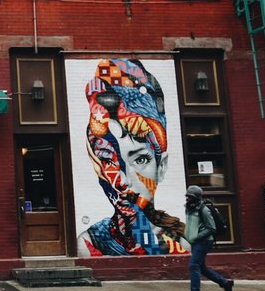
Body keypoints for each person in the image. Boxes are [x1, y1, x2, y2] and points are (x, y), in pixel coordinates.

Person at [78, 58, 189, 256]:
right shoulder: (91, 244)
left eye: (140, 160)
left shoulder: (180, 244)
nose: (124, 180)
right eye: (109, 161)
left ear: (161, 167)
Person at [182, 185, 233, 291]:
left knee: (194, 265)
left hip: (204, 241)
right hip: (195, 242)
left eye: (190, 196)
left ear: (196, 197)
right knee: (202, 268)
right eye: (187, 196)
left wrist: (196, 237)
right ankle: (225, 283)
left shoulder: (204, 209)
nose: (187, 198)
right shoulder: (189, 208)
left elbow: (211, 228)